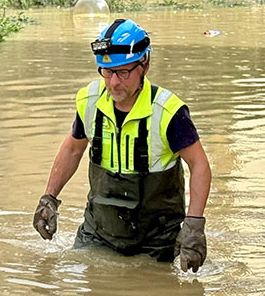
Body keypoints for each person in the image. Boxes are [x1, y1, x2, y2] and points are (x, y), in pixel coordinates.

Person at [33, 18, 212, 272]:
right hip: (99, 232)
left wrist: (194, 226)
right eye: (107, 72)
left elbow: (200, 165)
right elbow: (73, 149)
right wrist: (49, 198)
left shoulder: (169, 111)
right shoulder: (90, 101)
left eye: (123, 72)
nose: (113, 83)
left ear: (145, 64)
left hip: (158, 239)